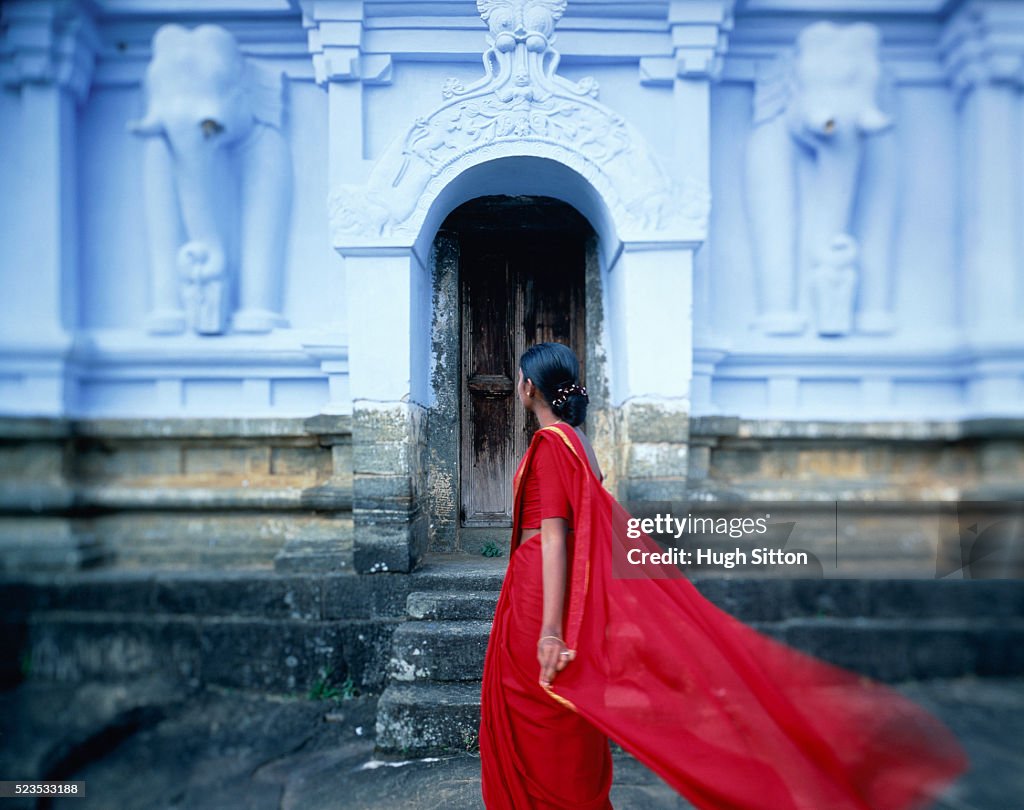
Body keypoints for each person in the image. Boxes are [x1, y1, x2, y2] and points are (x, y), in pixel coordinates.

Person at [478, 341, 968, 810]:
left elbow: (558, 536)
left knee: (537, 708)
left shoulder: (549, 444)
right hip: (546, 584)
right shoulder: (579, 442)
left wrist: (547, 630)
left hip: (538, 590)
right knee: (561, 710)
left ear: (527, 387)